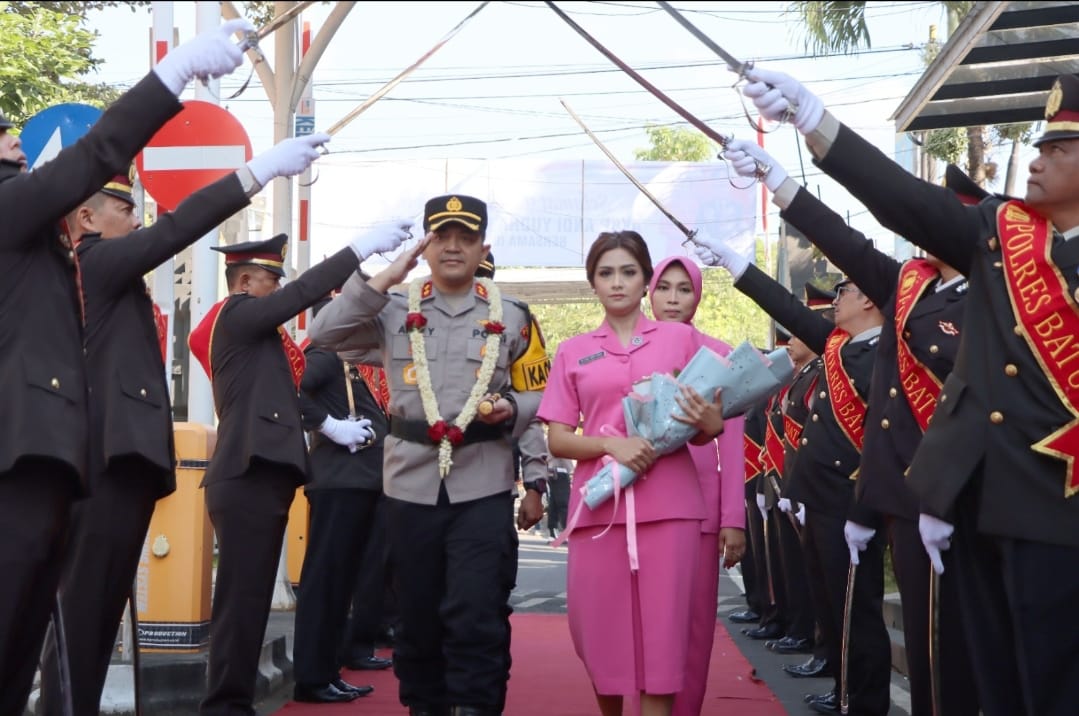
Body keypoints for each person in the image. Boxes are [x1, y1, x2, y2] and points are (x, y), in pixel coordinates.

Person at [737, 64, 1079, 716]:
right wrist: (813, 122)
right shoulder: (1003, 241)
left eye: (1059, 149)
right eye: (1038, 147)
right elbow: (897, 197)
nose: (1037, 161)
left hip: (1059, 512)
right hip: (989, 507)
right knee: (1000, 687)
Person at [0, 16, 252, 712]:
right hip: (28, 458)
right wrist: (173, 77)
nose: (17, 140)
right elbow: (99, 154)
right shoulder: (19, 214)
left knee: (28, 644)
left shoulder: (40, 242)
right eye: (6, 135)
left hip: (52, 459)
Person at [37, 133, 326, 714]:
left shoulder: (111, 276)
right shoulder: (95, 260)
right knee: (81, 618)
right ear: (86, 218)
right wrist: (256, 173)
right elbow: (179, 228)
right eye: (124, 208)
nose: (137, 218)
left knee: (95, 621)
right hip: (102, 459)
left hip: (123, 463)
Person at [725, 139, 984, 715]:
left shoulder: (986, 291)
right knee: (928, 656)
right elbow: (841, 250)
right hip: (905, 500)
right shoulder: (914, 291)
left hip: (960, 495)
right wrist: (778, 190)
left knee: (958, 655)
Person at [307, 194, 549, 716]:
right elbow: (321, 333)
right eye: (443, 237)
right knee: (416, 617)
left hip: (483, 482)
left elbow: (540, 394)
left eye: (466, 237)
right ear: (426, 245)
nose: (454, 247)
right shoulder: (393, 308)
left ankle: (476, 706)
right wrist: (386, 276)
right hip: (409, 484)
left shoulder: (514, 316)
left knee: (477, 611)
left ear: (483, 247)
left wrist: (513, 414)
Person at [189, 220, 413, 715]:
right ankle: (225, 707)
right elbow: (304, 295)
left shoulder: (260, 338)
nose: (280, 289)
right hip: (247, 472)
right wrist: (359, 249)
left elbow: (290, 392)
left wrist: (326, 424)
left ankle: (234, 703)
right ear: (244, 282)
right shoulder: (237, 313)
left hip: (263, 473)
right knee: (240, 605)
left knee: (249, 606)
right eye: (272, 280)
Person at [694, 237, 891, 715]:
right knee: (831, 603)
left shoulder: (883, 355)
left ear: (868, 300)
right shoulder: (840, 348)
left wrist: (864, 512)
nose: (835, 300)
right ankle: (843, 689)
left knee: (855, 610)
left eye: (843, 291)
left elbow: (881, 443)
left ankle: (863, 701)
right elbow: (786, 307)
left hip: (849, 503)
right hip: (818, 500)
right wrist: (738, 267)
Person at [537, 231, 725, 716]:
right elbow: (558, 438)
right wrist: (610, 445)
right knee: (598, 635)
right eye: (606, 273)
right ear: (593, 284)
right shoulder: (573, 351)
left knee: (664, 638)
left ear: (645, 281)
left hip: (672, 511)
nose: (617, 283)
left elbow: (704, 427)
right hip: (598, 510)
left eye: (628, 272)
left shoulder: (680, 340)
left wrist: (711, 422)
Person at [647, 255, 746, 716]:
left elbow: (733, 444)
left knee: (692, 625)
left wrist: (733, 519)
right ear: (650, 293)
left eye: (684, 289)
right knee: (640, 624)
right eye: (664, 288)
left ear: (698, 296)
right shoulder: (632, 348)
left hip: (700, 511)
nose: (673, 299)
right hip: (638, 505)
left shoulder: (720, 355)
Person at [291, 290, 388, 703]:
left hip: (360, 482)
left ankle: (328, 670)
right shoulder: (324, 355)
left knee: (342, 584)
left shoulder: (347, 359)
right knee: (326, 582)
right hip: (339, 482)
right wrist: (330, 426)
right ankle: (312, 677)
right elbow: (291, 389)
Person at [546, 455, 573, 539]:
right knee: (563, 504)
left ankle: (552, 531)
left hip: (551, 471)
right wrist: (571, 470)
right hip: (560, 471)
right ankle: (566, 530)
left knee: (553, 503)